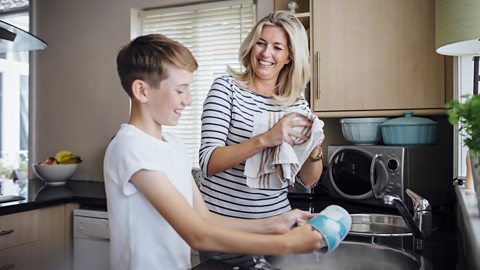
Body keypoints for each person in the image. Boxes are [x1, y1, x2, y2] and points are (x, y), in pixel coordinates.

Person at [103, 34, 324, 270]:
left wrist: (277, 223)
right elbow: (197, 235)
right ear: (142, 91)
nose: (188, 100)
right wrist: (288, 245)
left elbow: (205, 218)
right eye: (180, 90)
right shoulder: (130, 147)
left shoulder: (173, 145)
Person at [198, 10, 325, 265]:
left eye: (277, 47)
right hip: (225, 234)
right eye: (261, 43)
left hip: (277, 234)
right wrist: (267, 138)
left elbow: (307, 181)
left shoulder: (296, 103)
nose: (266, 54)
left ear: (290, 57)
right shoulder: (226, 88)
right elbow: (208, 162)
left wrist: (314, 149)